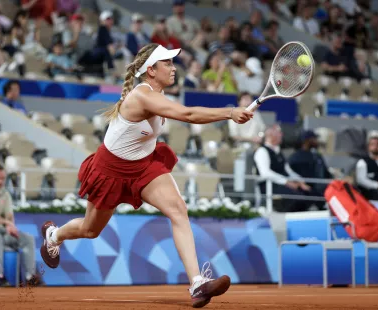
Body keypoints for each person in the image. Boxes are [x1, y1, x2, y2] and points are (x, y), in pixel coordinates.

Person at [39, 43, 253, 308]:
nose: (174, 68)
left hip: (143, 166)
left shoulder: (157, 93)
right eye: (168, 64)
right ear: (151, 70)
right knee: (90, 229)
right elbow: (187, 114)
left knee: (178, 210)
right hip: (111, 170)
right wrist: (230, 112)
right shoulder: (142, 96)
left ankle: (197, 283)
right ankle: (54, 236)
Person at [253, 124, 312, 212]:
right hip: (271, 186)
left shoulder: (278, 151)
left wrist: (300, 181)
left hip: (284, 184)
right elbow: (265, 173)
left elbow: (287, 170)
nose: (281, 135)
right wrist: (286, 182)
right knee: (295, 198)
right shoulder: (262, 151)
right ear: (270, 135)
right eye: (279, 132)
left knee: (310, 193)